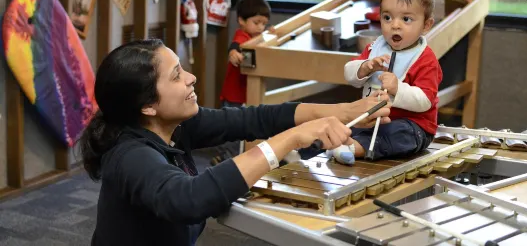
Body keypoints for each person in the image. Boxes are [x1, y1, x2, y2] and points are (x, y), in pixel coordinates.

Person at [79, 39, 391, 246]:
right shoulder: (129, 155)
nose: (191, 78)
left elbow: (257, 119)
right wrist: (293, 138)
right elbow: (189, 199)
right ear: (147, 105)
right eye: (176, 76)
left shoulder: (175, 125)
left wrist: (346, 111)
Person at [328, 0, 443, 165]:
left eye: (406, 19)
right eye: (387, 17)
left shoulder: (426, 60)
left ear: (426, 25)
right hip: (372, 119)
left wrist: (398, 88)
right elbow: (349, 73)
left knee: (397, 134)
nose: (394, 25)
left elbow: (425, 101)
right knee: (345, 121)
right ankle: (342, 142)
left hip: (413, 126)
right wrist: (364, 67)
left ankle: (352, 148)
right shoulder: (377, 47)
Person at [212, 0, 275, 164]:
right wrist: (233, 53)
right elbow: (235, 45)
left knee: (232, 128)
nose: (261, 27)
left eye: (264, 23)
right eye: (256, 23)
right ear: (241, 20)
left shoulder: (256, 36)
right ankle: (226, 160)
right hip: (234, 95)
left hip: (242, 94)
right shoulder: (242, 37)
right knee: (234, 130)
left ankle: (223, 158)